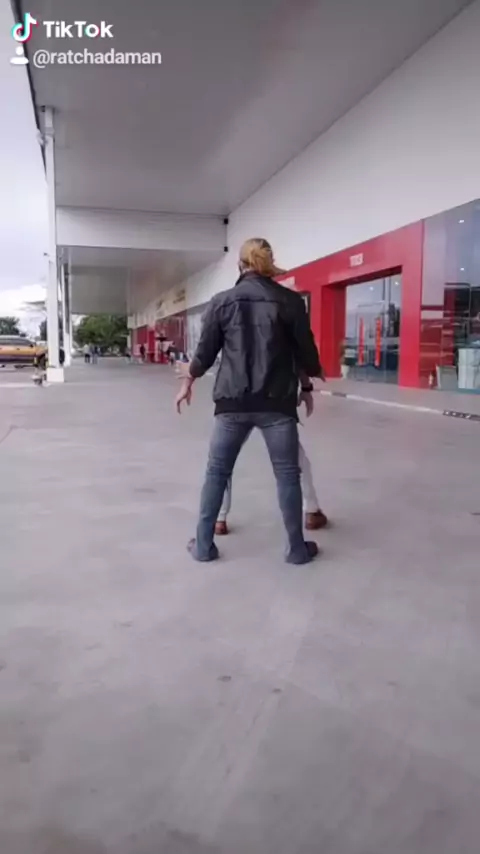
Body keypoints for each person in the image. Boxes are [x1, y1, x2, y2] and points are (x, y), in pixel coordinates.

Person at [175, 237, 323, 565]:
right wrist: (309, 380)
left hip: (232, 403)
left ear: (240, 265)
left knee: (217, 472)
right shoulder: (291, 301)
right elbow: (306, 352)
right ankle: (296, 549)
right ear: (269, 263)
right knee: (288, 474)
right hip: (277, 403)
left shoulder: (222, 301)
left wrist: (188, 381)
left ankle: (203, 546)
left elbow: (204, 355)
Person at [215, 383, 328, 535]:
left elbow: (204, 365)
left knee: (223, 462)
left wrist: (190, 377)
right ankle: (311, 510)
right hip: (272, 400)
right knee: (294, 460)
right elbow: (299, 365)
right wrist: (306, 387)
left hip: (236, 399)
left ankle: (219, 517)